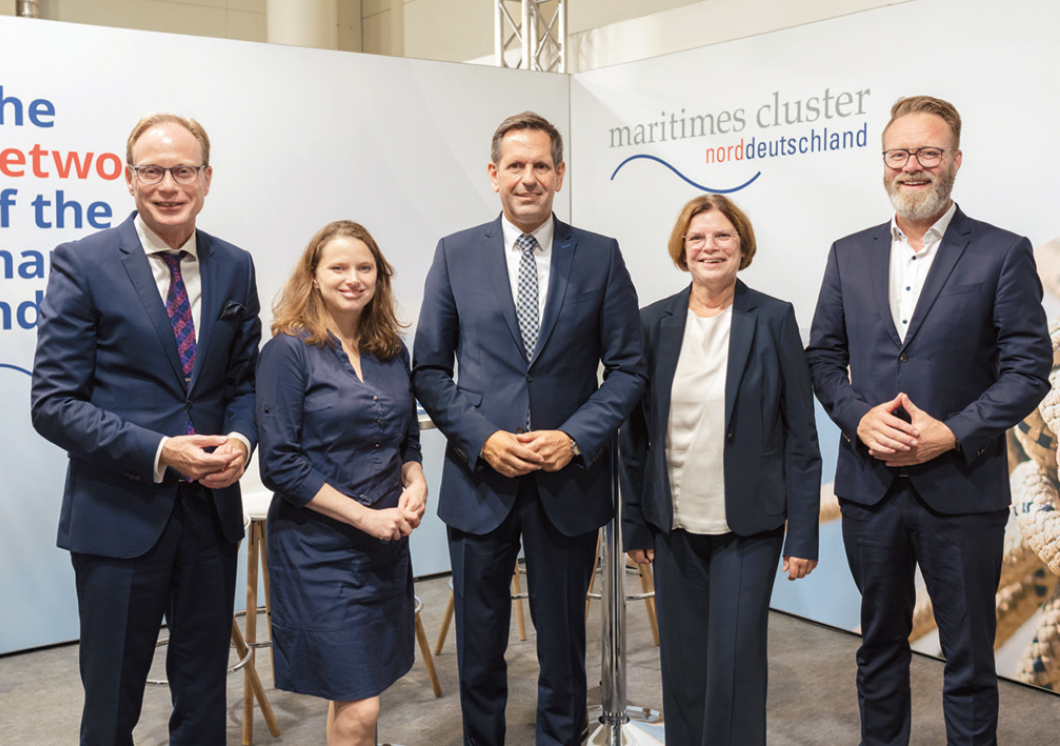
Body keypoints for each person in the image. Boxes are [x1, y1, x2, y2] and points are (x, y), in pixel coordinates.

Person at [806, 95, 1052, 745]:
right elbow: (824, 359)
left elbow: (1029, 369)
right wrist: (858, 420)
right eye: (900, 153)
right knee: (879, 646)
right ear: (884, 163)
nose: (913, 166)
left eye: (928, 152)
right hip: (870, 487)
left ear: (955, 161)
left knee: (969, 658)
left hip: (962, 489)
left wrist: (954, 430)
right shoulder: (848, 253)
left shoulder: (1002, 252)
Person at [412, 111, 645, 746]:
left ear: (560, 174)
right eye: (515, 165)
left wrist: (574, 436)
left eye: (541, 165)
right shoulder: (456, 253)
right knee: (480, 651)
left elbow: (628, 369)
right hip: (479, 480)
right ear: (493, 174)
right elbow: (429, 370)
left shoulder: (598, 256)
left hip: (567, 485)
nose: (528, 177)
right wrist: (481, 436)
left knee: (563, 647)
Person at [30, 113, 260, 745]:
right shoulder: (84, 263)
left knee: (203, 695)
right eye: (152, 171)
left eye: (183, 170)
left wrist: (241, 440)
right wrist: (161, 452)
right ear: (128, 180)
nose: (168, 184)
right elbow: (52, 402)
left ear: (206, 178)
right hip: (118, 518)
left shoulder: (235, 266)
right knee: (111, 703)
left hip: (210, 520)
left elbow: (243, 383)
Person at [620, 194, 821, 745]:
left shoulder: (774, 317)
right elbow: (634, 435)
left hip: (748, 527)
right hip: (673, 523)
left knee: (734, 664)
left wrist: (802, 533)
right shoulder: (652, 323)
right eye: (697, 238)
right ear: (682, 250)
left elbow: (802, 433)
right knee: (682, 668)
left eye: (722, 236)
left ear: (742, 246)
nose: (710, 246)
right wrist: (635, 523)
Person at [256, 220, 427, 746]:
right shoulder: (287, 351)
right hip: (318, 551)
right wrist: (365, 517)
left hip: (385, 548)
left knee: (358, 694)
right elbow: (279, 465)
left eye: (364, 268)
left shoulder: (390, 350)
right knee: (361, 703)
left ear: (380, 276)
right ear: (313, 275)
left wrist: (415, 478)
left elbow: (406, 442)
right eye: (338, 267)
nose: (352, 278)